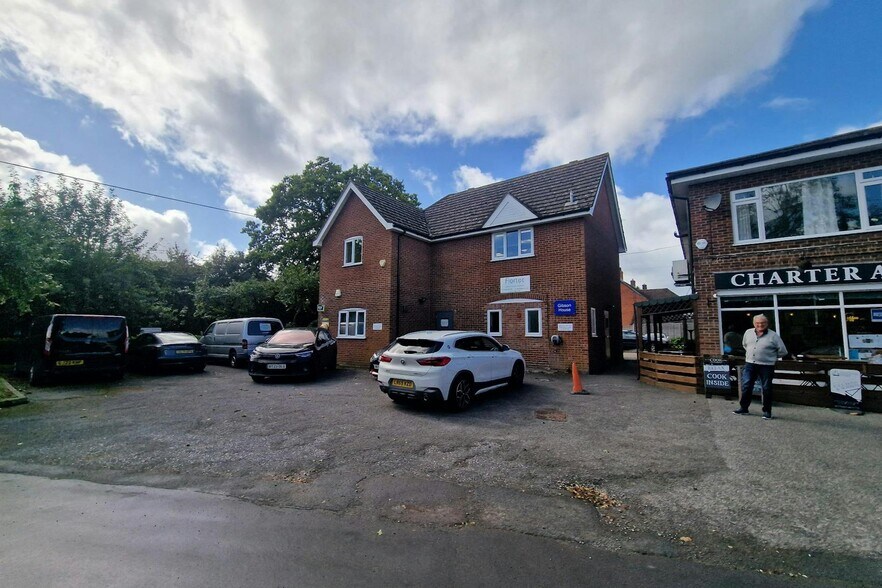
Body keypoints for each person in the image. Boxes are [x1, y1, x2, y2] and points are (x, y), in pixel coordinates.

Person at [734, 314, 788, 420]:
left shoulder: (773, 336)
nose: (760, 325)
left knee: (766, 388)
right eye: (758, 323)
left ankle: (767, 411)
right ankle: (744, 408)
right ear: (754, 324)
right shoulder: (748, 333)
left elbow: (783, 351)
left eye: (762, 323)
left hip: (766, 366)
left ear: (767, 324)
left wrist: (770, 357)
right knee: (746, 385)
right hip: (750, 364)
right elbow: (745, 345)